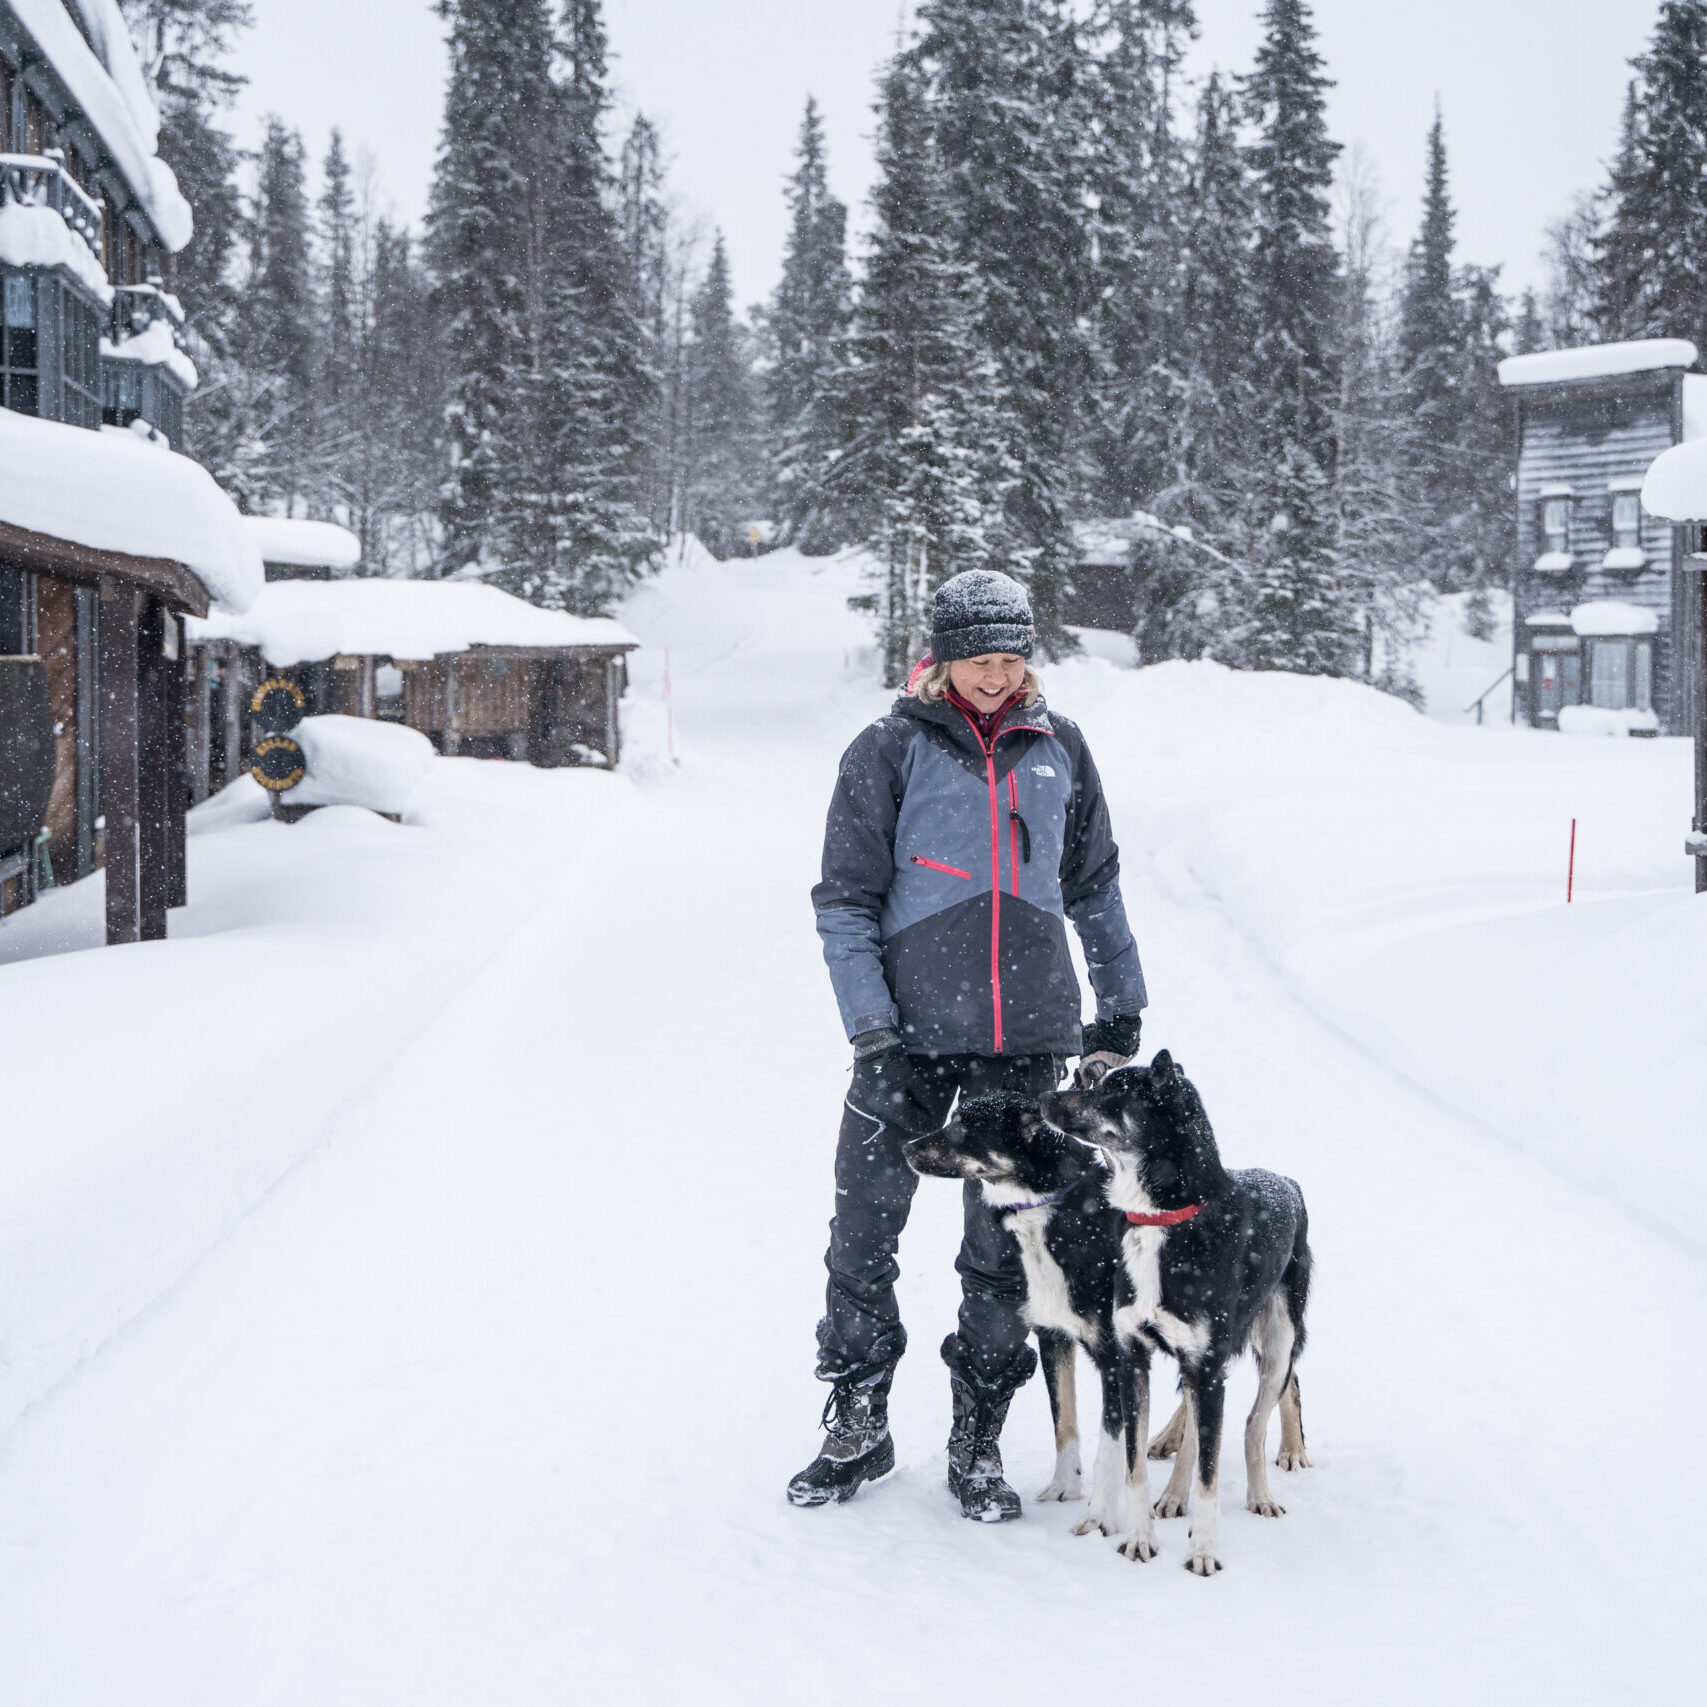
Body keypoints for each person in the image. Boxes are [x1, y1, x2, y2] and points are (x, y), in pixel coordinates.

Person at [787, 568, 1148, 1520]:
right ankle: (857, 1423)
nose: (996, 678)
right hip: (904, 1046)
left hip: (1027, 1048)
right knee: (862, 1239)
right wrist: (870, 1029)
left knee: (1005, 1257)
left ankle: (977, 1436)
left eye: (1010, 659)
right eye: (978, 660)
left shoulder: (1058, 748)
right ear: (940, 661)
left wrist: (1119, 1008)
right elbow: (844, 905)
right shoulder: (887, 749)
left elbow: (1097, 884)